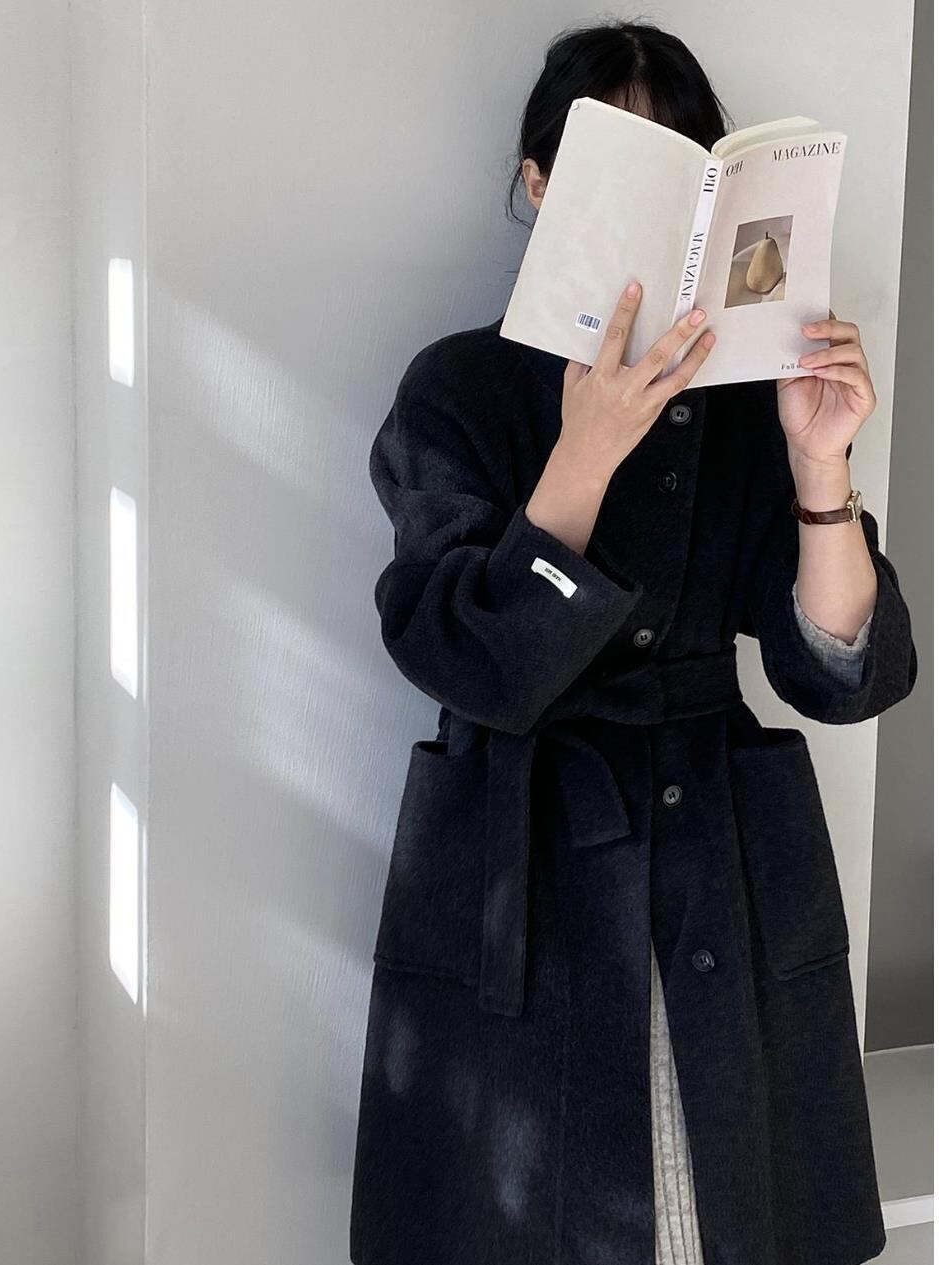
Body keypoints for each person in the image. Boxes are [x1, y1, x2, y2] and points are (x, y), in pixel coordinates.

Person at [349, 18, 917, 1265]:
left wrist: (819, 464)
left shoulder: (742, 400)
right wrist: (587, 450)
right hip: (527, 855)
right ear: (538, 183)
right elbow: (464, 657)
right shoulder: (457, 388)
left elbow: (840, 671)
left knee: (720, 1213)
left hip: (715, 838)